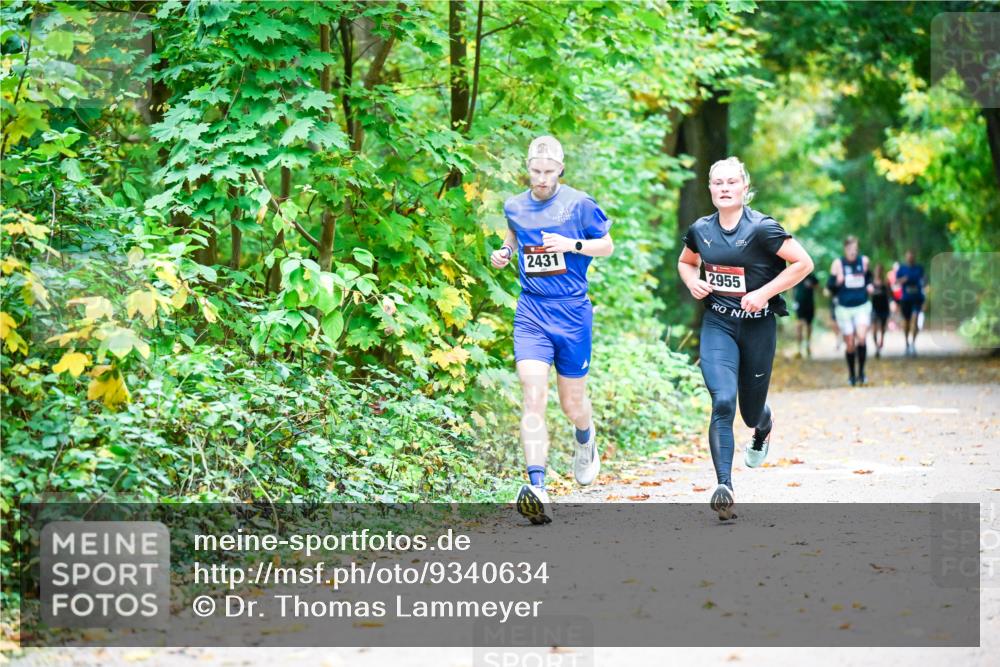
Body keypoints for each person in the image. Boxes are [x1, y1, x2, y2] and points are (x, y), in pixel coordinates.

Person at [677, 157, 813, 520]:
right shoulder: (700, 229)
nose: (724, 188)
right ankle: (725, 487)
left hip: (757, 327)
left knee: (750, 413)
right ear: (710, 189)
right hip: (718, 324)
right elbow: (686, 262)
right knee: (722, 399)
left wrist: (765, 293)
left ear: (744, 188)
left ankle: (763, 426)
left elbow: (803, 263)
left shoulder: (762, 229)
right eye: (717, 182)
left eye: (731, 182)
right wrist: (693, 282)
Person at [490, 135, 614, 525]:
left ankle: (586, 437)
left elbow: (606, 245)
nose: (540, 179)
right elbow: (515, 234)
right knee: (533, 395)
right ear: (527, 168)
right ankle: (537, 486)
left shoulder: (579, 204)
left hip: (573, 312)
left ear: (560, 169)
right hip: (532, 310)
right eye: (534, 171)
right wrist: (505, 252)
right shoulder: (514, 205)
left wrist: (572, 244)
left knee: (572, 405)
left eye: (548, 172)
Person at [831, 236, 874, 386]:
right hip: (844, 309)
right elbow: (830, 287)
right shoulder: (838, 264)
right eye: (850, 249)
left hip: (861, 305)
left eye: (855, 249)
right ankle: (852, 375)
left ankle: (862, 372)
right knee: (850, 344)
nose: (852, 252)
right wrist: (838, 281)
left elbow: (869, 278)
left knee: (861, 337)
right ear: (845, 249)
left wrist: (870, 286)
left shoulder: (864, 261)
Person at [895, 250, 925, 356]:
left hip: (917, 298)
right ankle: (907, 343)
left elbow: (923, 281)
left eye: (912, 256)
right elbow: (896, 282)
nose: (910, 258)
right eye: (908, 256)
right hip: (906, 299)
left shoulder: (919, 268)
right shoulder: (902, 269)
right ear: (906, 257)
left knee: (916, 319)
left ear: (914, 257)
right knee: (907, 322)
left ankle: (913, 343)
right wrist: (903, 280)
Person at [793, 272, 819, 358]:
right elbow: (790, 288)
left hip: (809, 304)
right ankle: (799, 349)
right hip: (799, 304)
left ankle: (808, 345)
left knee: (809, 325)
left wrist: (811, 286)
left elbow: (817, 287)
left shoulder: (811, 276)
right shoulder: (796, 274)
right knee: (799, 324)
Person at [870, 263, 890, 358]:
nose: (878, 272)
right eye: (876, 270)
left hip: (884, 307)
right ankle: (876, 346)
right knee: (873, 330)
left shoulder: (886, 282)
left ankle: (881, 340)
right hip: (874, 308)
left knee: (882, 328)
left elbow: (890, 294)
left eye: (880, 270)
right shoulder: (871, 282)